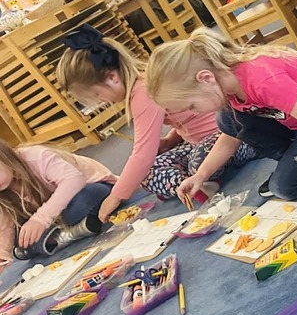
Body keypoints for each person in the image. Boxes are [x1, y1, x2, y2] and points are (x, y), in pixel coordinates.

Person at [146, 29, 297, 202]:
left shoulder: (261, 79)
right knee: (227, 120)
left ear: (206, 78)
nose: (195, 112)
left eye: (192, 105)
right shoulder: (228, 86)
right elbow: (229, 138)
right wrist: (200, 175)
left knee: (284, 188)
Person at [57, 26, 256, 220]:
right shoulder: (143, 84)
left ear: (112, 77)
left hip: (233, 138)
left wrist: (115, 196)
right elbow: (186, 117)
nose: (103, 102)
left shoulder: (141, 92)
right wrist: (170, 140)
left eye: (97, 95)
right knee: (150, 171)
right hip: (197, 144)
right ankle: (196, 185)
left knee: (186, 161)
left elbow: (142, 154)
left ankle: (199, 180)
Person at [0, 142, 117, 263]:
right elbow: (5, 224)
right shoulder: (3, 189)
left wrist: (41, 219)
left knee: (87, 197)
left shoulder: (35, 157)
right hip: (55, 216)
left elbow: (74, 180)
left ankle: (55, 238)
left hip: (90, 190)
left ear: (3, 156)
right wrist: (2, 255)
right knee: (21, 237)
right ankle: (71, 232)